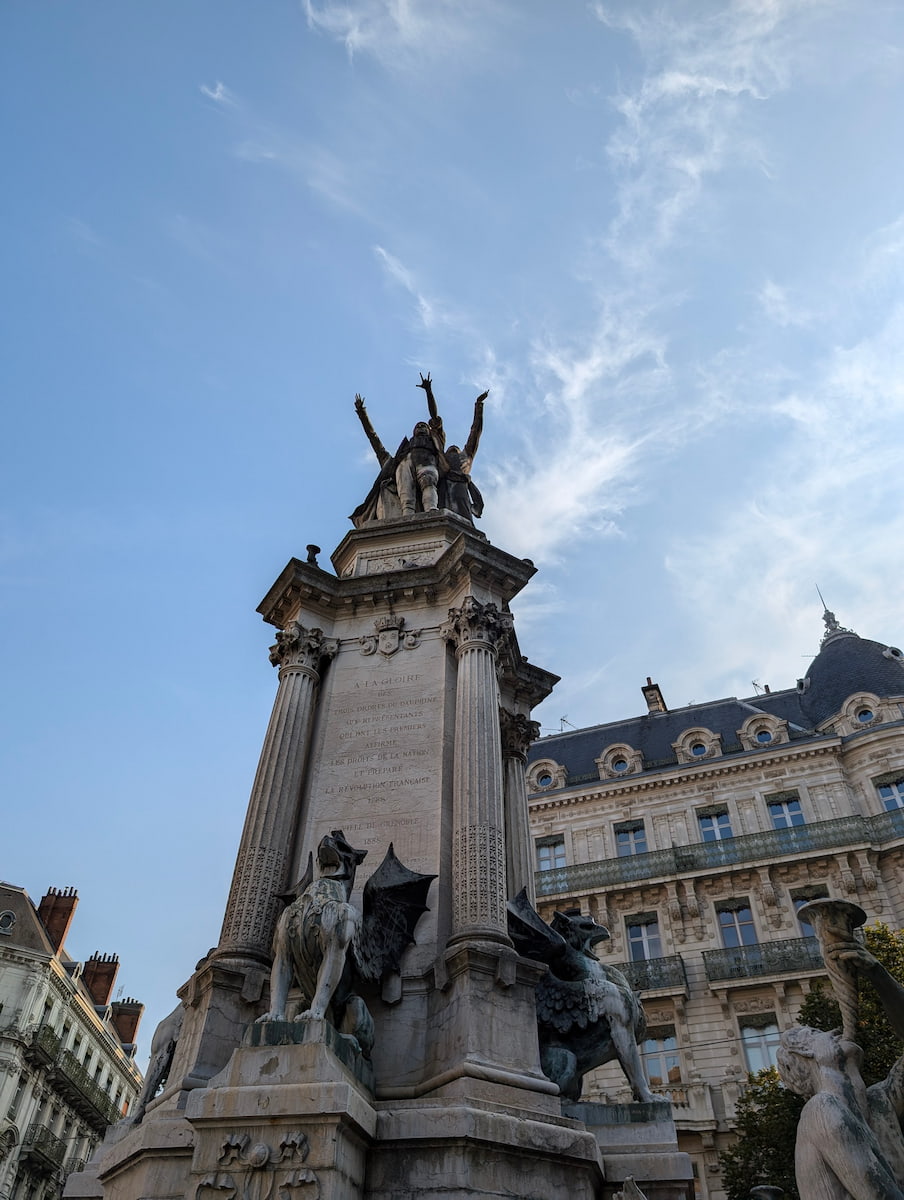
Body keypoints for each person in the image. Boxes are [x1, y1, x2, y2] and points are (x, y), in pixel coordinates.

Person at [777, 941, 904, 1200]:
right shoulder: (821, 1110)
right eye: (814, 1034)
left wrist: (879, 976)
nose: (829, 1032)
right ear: (805, 1060)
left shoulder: (878, 1102)